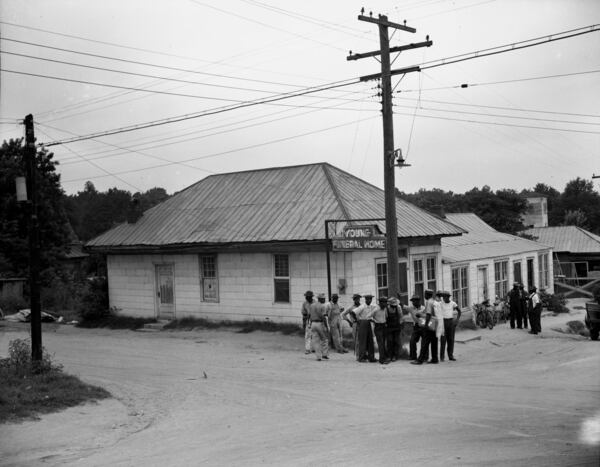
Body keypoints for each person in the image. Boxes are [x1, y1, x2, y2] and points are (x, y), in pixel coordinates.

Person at [412, 289, 439, 364]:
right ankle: (435, 358)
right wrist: (420, 314)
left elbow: (428, 314)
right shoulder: (434, 301)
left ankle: (420, 360)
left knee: (425, 342)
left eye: (425, 294)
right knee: (434, 342)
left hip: (430, 324)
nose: (424, 296)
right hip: (435, 324)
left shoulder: (429, 302)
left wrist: (426, 325)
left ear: (427, 295)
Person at [439, 291, 461, 361]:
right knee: (443, 340)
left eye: (445, 297)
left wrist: (457, 320)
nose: (443, 298)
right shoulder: (440, 303)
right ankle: (442, 357)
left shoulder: (453, 303)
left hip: (451, 322)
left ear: (448, 297)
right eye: (443, 297)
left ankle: (450, 356)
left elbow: (459, 311)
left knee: (451, 340)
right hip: (443, 322)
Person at [354, 293, 376, 362]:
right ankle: (361, 357)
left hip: (369, 322)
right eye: (368, 299)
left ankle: (371, 357)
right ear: (365, 299)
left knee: (370, 341)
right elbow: (353, 312)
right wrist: (357, 320)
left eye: (370, 299)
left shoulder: (371, 306)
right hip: (363, 322)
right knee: (363, 341)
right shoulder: (362, 306)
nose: (369, 300)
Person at [309, 293, 330, 361]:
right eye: (323, 299)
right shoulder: (322, 306)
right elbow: (323, 317)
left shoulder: (312, 305)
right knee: (325, 339)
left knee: (316, 341)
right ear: (320, 299)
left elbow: (310, 315)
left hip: (313, 323)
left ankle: (318, 357)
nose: (324, 300)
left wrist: (310, 324)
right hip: (320, 323)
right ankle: (324, 354)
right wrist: (326, 326)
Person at [403, 294, 425, 361]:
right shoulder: (411, 308)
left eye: (414, 301)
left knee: (424, 342)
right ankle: (413, 356)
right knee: (412, 341)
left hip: (423, 325)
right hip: (416, 326)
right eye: (412, 301)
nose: (412, 303)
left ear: (418, 301)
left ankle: (424, 357)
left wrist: (421, 315)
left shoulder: (424, 308)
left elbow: (428, 316)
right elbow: (402, 305)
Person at [372, 296, 390, 364]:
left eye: (386, 302)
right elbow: (369, 316)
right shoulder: (376, 309)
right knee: (381, 343)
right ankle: (381, 360)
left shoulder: (385, 309)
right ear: (380, 303)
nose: (385, 304)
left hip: (384, 326)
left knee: (384, 343)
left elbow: (386, 316)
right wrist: (375, 321)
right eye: (384, 302)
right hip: (378, 327)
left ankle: (384, 357)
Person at [386, 297, 402, 361]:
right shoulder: (387, 309)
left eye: (395, 305)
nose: (394, 306)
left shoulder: (398, 307)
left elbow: (401, 316)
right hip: (389, 327)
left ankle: (395, 356)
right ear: (390, 304)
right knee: (389, 341)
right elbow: (386, 317)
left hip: (397, 327)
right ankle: (389, 356)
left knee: (396, 341)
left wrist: (400, 324)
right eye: (392, 305)